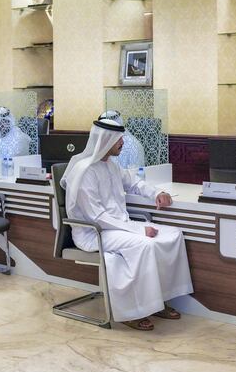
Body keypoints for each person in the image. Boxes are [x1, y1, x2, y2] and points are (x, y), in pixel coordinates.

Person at [61, 117, 193, 331]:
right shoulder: (85, 171)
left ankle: (158, 301)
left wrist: (157, 193)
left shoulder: (111, 165)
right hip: (94, 233)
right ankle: (132, 312)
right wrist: (139, 228)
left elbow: (134, 183)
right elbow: (98, 217)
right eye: (118, 139)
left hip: (118, 227)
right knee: (145, 244)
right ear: (105, 140)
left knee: (173, 234)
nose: (123, 142)